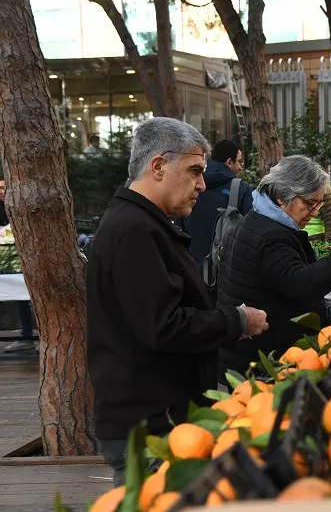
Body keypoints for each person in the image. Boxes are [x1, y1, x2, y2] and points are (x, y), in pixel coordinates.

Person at [86, 118, 268, 486]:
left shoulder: (142, 223)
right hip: (150, 424)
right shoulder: (136, 229)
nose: (202, 183)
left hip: (157, 415)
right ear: (158, 166)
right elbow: (162, 326)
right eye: (194, 171)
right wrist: (236, 321)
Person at [216, 155, 331, 375]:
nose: (315, 212)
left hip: (250, 353)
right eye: (309, 203)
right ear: (281, 198)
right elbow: (302, 284)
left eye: (318, 203)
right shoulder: (270, 237)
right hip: (264, 362)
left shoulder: (258, 220)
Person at [177, 140, 253, 273]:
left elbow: (179, 230)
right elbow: (252, 234)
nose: (241, 167)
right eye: (239, 161)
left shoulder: (189, 186)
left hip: (192, 272)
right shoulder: (241, 189)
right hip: (228, 276)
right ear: (229, 162)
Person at [0, 178, 36, 354]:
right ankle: (26, 336)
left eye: (3, 187)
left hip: (26, 258)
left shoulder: (21, 205)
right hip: (8, 262)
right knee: (19, 299)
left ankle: (35, 337)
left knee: (31, 299)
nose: (1, 191)